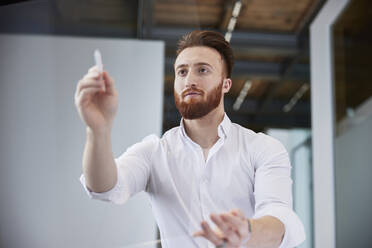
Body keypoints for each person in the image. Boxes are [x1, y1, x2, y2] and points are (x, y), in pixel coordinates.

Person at [74, 30, 305, 248]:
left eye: (202, 70)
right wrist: (98, 131)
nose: (189, 80)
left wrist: (247, 232)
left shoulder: (263, 148)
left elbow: (280, 218)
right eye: (182, 72)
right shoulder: (154, 152)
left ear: (226, 84)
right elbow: (104, 186)